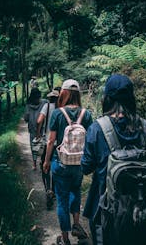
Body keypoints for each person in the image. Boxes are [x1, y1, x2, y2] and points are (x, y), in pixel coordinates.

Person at [81, 74, 146, 245]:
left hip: (105, 211)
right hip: (140, 211)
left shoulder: (97, 129)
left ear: (107, 98)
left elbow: (86, 167)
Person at [43, 79, 93, 245]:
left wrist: (47, 160)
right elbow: (91, 140)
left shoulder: (58, 113)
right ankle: (77, 224)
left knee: (62, 200)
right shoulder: (86, 114)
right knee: (75, 192)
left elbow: (51, 141)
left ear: (63, 93)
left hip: (61, 162)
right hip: (79, 163)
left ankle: (65, 239)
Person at [37, 88, 60, 210]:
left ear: (50, 98)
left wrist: (38, 132)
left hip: (48, 142)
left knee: (44, 166)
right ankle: (54, 190)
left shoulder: (46, 106)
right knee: (55, 167)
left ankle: (47, 189)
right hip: (59, 145)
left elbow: (39, 120)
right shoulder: (61, 108)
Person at [24, 87, 47, 170]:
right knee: (43, 145)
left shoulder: (28, 105)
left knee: (33, 146)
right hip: (43, 128)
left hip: (32, 128)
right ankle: (42, 161)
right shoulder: (44, 102)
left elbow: (26, 118)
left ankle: (34, 164)